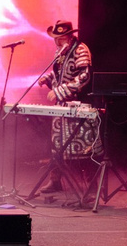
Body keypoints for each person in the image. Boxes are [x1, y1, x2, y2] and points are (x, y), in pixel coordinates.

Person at [37, 20, 97, 160]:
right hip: (62, 108)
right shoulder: (61, 51)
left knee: (83, 149)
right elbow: (61, 73)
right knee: (58, 148)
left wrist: (60, 91)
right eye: (56, 40)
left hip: (79, 106)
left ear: (70, 37)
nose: (58, 43)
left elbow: (84, 76)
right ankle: (55, 179)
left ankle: (89, 181)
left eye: (61, 39)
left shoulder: (80, 50)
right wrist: (48, 78)